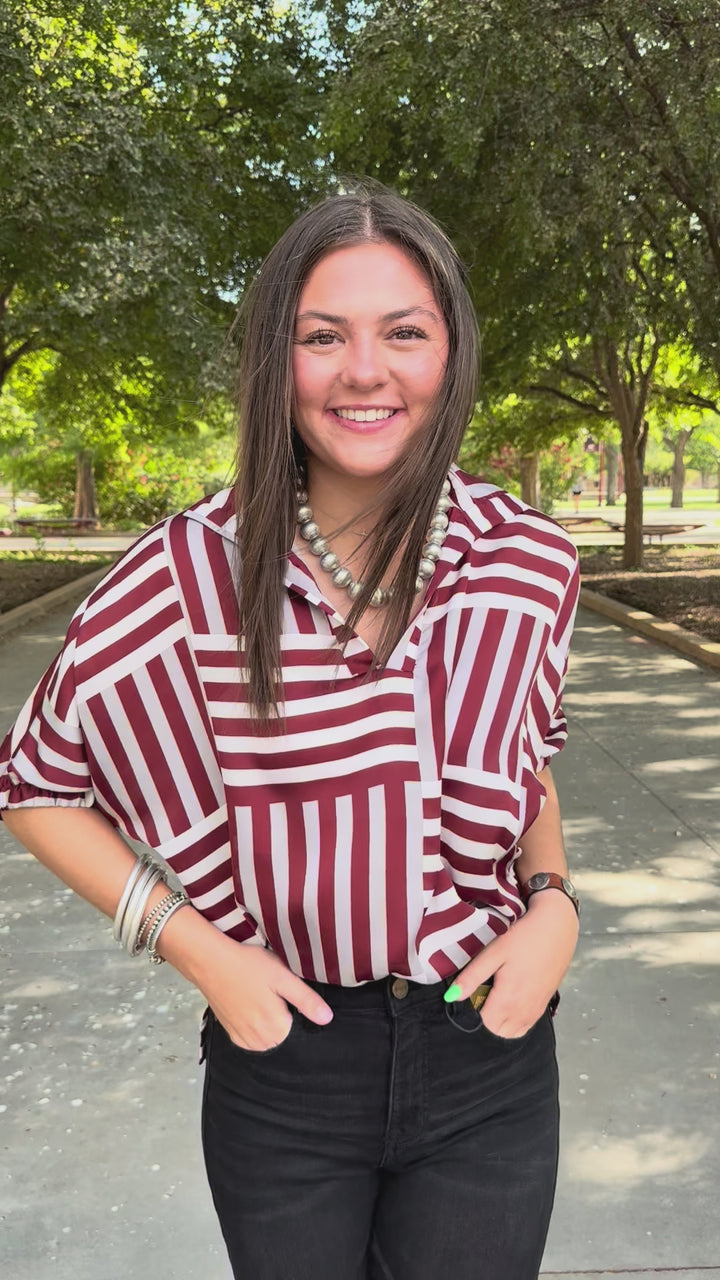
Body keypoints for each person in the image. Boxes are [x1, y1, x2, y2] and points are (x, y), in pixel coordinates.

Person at [0, 182, 581, 1280]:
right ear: (278, 359)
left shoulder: (529, 559)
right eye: (323, 337)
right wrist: (200, 952)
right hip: (289, 1062)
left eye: (403, 332)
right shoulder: (184, 576)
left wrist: (554, 902)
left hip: (489, 1049)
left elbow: (528, 751)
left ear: (451, 351)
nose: (365, 370)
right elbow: (35, 783)